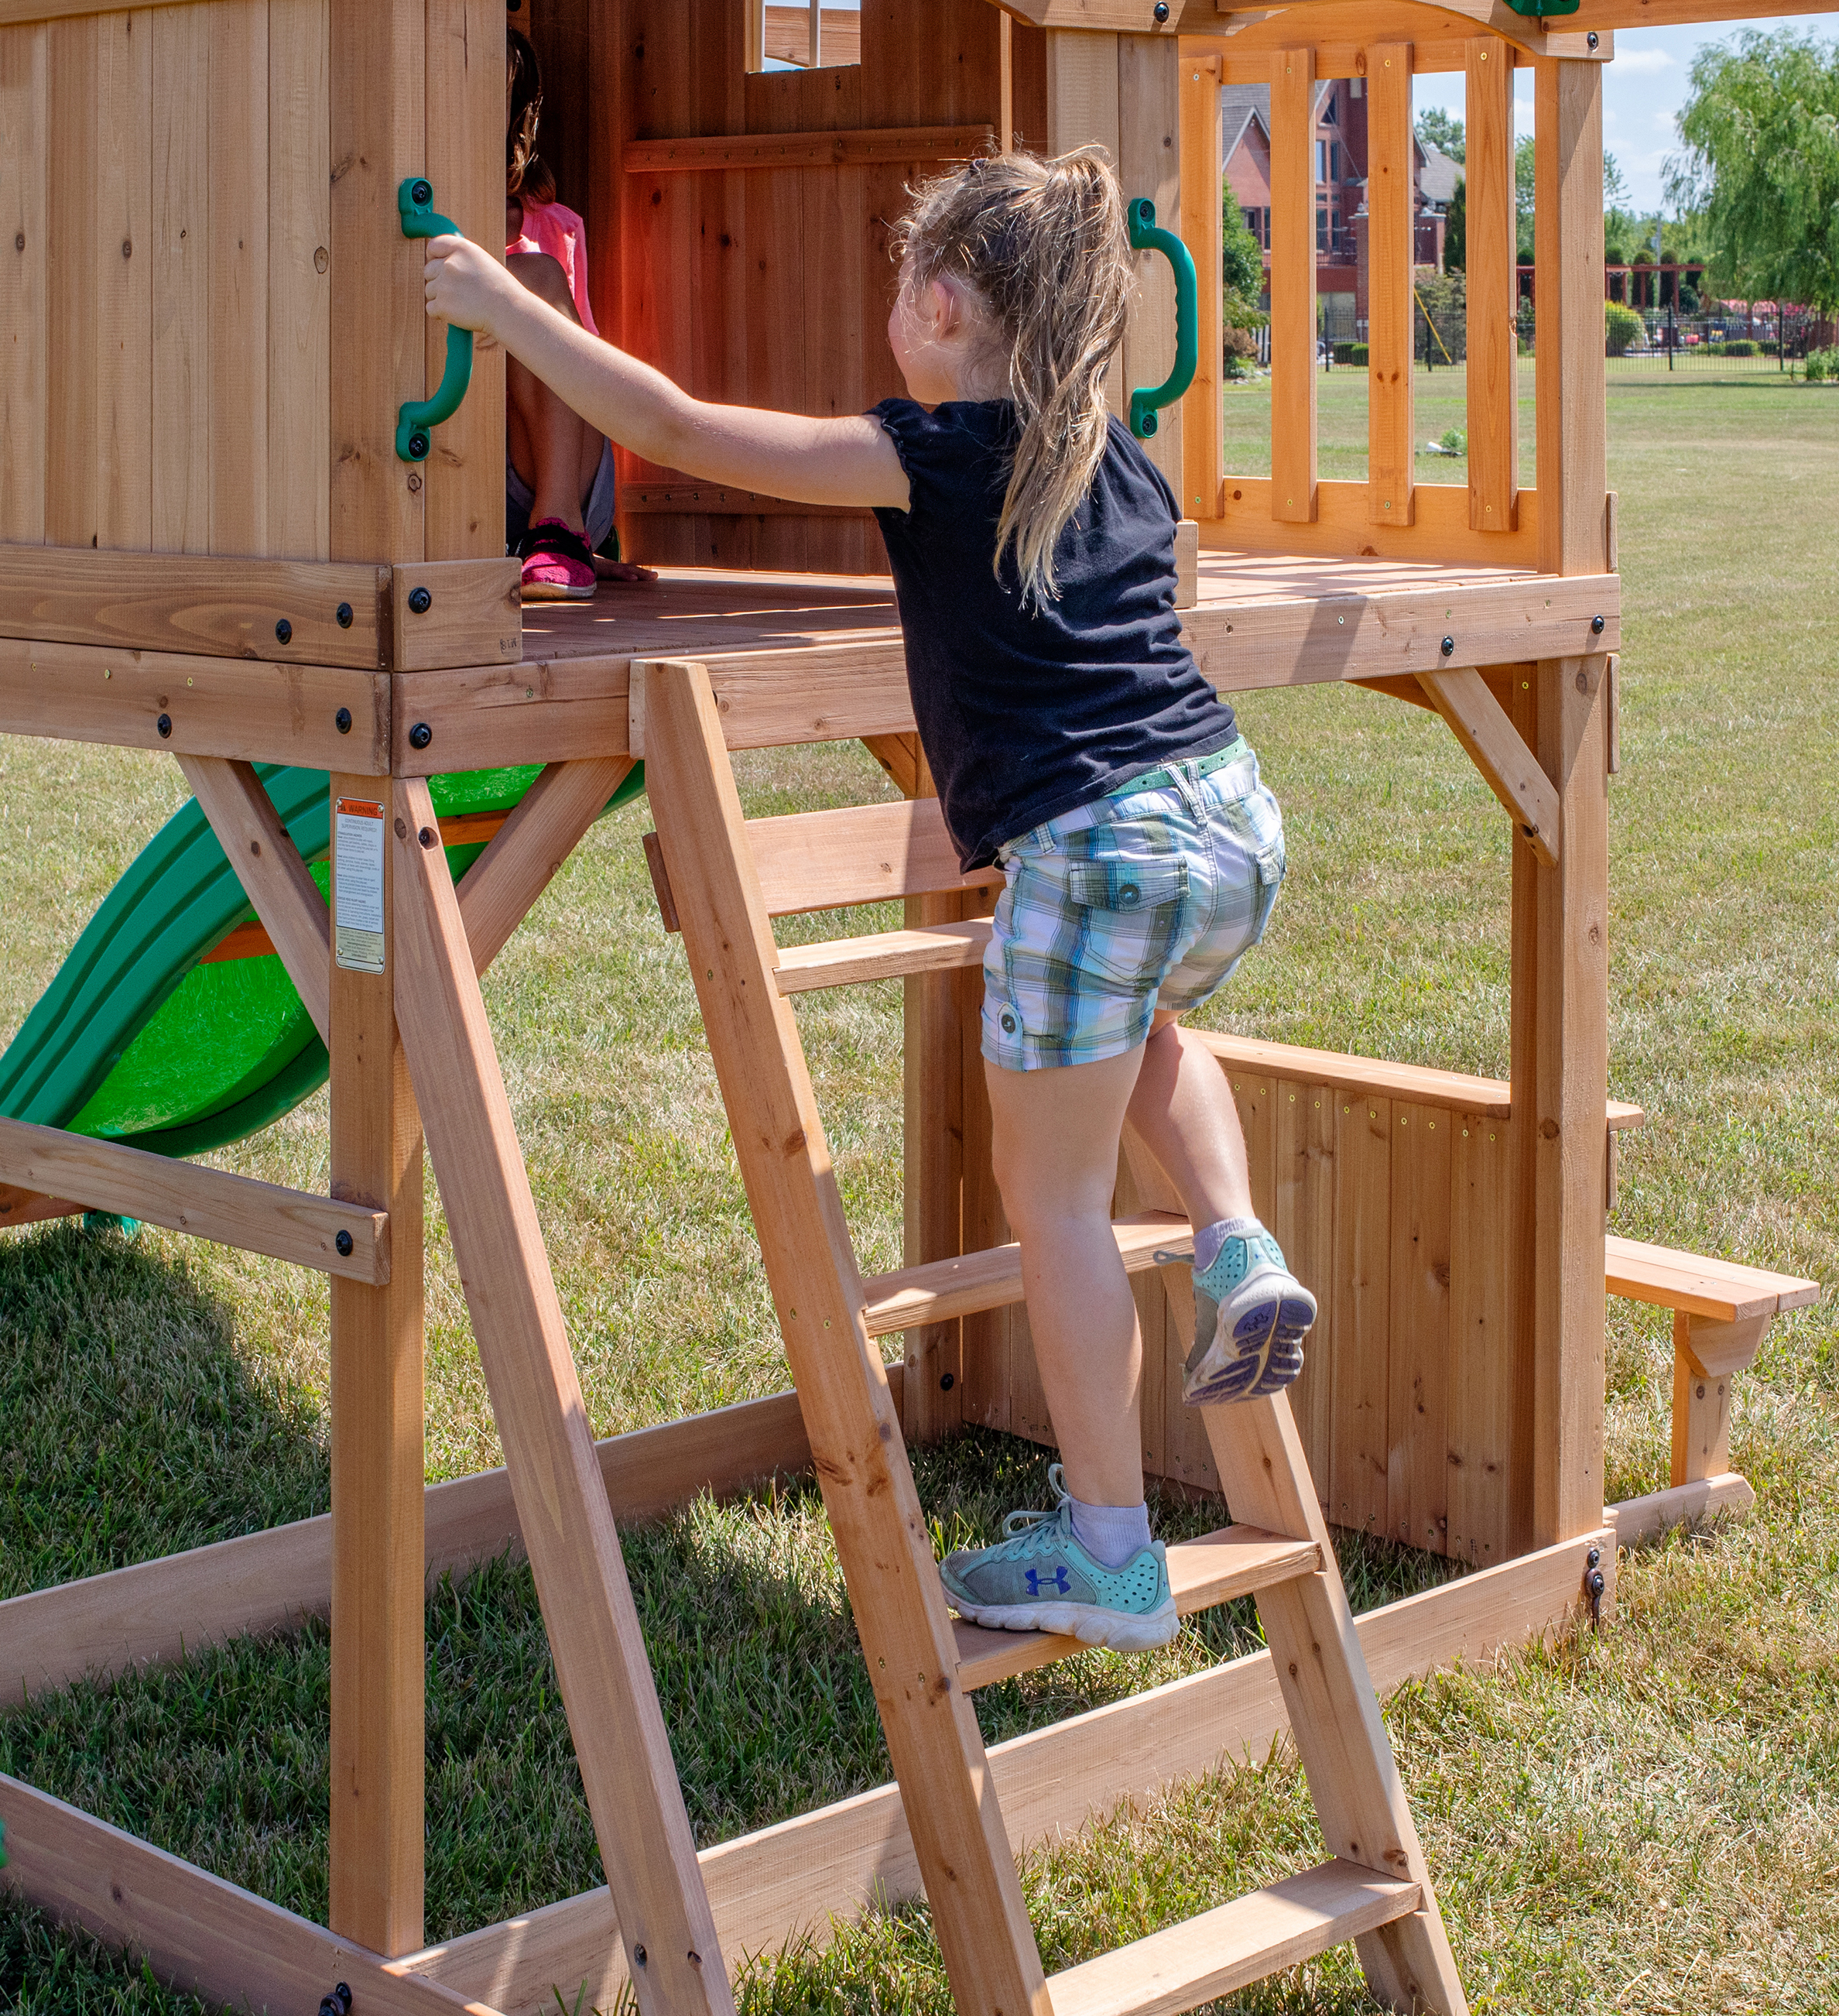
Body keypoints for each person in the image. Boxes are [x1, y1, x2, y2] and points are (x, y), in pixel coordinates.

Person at [422, 148, 1317, 1654]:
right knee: (1147, 1029)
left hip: (1096, 845)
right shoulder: (1112, 454)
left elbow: (672, 428)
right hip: (1228, 818)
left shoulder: (935, 448)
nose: (891, 306)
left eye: (906, 282)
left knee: (1054, 1208)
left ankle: (1107, 1552)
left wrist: (497, 306)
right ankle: (1236, 1247)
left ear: (945, 302)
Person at [502, 29, 649, 600]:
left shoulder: (553, 224)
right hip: (455, 468)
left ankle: (560, 531)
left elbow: (580, 368)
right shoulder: (411, 205)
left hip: (545, 472)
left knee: (535, 277)